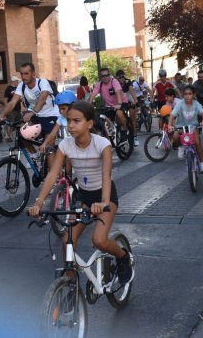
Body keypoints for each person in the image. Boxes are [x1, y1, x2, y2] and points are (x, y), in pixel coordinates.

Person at [28, 101, 133, 285]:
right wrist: (39, 203)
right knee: (67, 241)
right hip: (84, 198)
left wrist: (104, 202)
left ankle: (123, 257)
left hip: (104, 197)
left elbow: (106, 175)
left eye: (76, 121)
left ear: (89, 124)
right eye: (68, 121)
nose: (70, 125)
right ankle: (70, 284)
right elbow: (53, 175)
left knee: (99, 240)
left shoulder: (102, 144)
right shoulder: (66, 145)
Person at [0, 62, 59, 158]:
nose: (23, 76)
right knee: (21, 134)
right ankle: (34, 155)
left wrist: (32, 112)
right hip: (36, 116)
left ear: (33, 74)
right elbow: (12, 103)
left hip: (51, 115)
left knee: (48, 149)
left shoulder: (42, 83)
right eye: (21, 74)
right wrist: (0, 116)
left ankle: (53, 172)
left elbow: (42, 99)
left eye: (26, 73)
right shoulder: (22, 86)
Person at [168, 85, 203, 173]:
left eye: (190, 94)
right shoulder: (180, 104)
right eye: (185, 94)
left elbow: (202, 113)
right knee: (175, 137)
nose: (187, 96)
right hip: (181, 127)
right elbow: (172, 115)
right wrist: (170, 125)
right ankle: (181, 146)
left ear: (193, 95)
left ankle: (202, 163)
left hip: (193, 127)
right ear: (183, 95)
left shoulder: (196, 104)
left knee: (197, 143)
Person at [39, 90, 77, 168]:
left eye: (63, 108)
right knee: (54, 154)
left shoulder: (78, 118)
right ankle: (58, 176)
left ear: (72, 106)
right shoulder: (61, 118)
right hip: (67, 146)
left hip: (77, 146)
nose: (60, 111)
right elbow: (53, 133)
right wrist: (45, 143)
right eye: (59, 109)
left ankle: (67, 178)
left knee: (68, 161)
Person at [89, 67, 128, 134]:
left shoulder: (114, 82)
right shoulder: (99, 84)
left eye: (107, 75)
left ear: (109, 75)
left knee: (119, 113)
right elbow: (93, 95)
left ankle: (125, 130)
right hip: (110, 106)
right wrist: (89, 105)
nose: (105, 77)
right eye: (103, 76)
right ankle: (110, 138)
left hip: (121, 102)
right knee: (105, 121)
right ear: (100, 77)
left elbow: (118, 92)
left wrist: (119, 104)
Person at [116, 70, 139, 146]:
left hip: (130, 100)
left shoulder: (128, 81)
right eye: (120, 77)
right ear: (117, 78)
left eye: (123, 77)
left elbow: (131, 91)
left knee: (132, 118)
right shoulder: (115, 83)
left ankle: (135, 137)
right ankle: (122, 133)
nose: (122, 79)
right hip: (121, 101)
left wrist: (135, 100)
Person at [3, 75, 22, 142]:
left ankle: (18, 136)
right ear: (14, 81)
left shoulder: (17, 88)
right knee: (10, 123)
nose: (17, 82)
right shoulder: (8, 88)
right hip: (12, 109)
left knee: (18, 123)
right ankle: (9, 136)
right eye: (17, 81)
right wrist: (7, 109)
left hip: (18, 108)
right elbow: (5, 100)